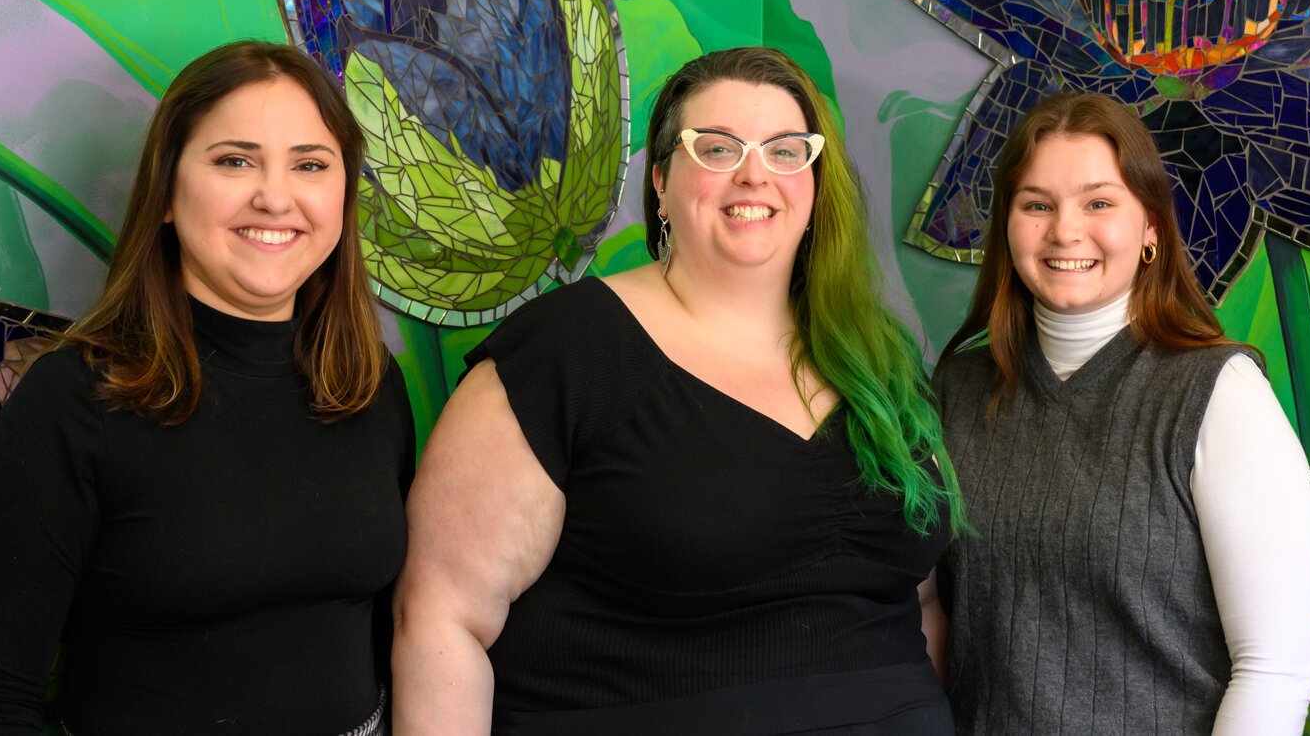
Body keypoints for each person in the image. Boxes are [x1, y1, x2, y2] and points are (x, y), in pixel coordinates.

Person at [392, 46, 968, 734]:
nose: (755, 173)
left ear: (814, 186)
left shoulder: (881, 362)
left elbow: (919, 598)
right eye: (718, 148)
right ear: (661, 181)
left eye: (787, 151)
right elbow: (441, 617)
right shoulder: (566, 351)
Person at [0, 41, 415, 735]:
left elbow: (391, 638)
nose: (276, 196)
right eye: (235, 160)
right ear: (166, 191)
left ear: (343, 195)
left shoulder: (371, 385)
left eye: (311, 164)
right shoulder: (73, 402)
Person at [933, 91, 1310, 734]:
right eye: (1037, 204)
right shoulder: (956, 390)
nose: (1064, 230)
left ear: (1150, 229)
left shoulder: (1220, 394)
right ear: (1008, 224)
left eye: (1098, 202)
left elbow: (1273, 672)